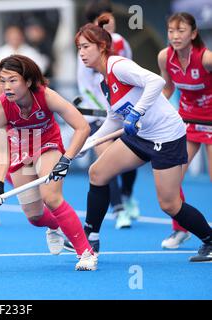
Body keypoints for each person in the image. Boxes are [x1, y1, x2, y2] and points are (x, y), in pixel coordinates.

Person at [77, 15, 212, 262]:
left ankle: (210, 240)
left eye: (86, 47)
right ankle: (91, 238)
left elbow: (156, 81)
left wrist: (137, 112)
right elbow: (114, 118)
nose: (82, 53)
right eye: (79, 49)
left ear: (102, 47)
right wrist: (88, 144)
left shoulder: (118, 65)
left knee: (169, 204)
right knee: (97, 173)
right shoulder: (104, 80)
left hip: (166, 137)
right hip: (142, 136)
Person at [0, 54, 97, 271]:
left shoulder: (47, 96)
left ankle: (86, 253)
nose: (6, 86)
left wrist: (66, 159)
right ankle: (56, 225)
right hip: (20, 150)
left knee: (51, 197)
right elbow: (2, 150)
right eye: (2, 81)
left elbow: (82, 127)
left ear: (27, 81)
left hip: (48, 144)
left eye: (12, 80)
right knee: (35, 217)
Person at [77, 1, 139, 230]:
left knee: (130, 161)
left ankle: (127, 194)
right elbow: (84, 87)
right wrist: (104, 111)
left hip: (124, 111)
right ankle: (119, 209)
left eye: (110, 17)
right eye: (103, 19)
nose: (109, 22)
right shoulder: (86, 49)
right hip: (100, 115)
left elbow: (132, 74)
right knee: (107, 161)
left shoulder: (122, 43)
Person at [158, 12, 212, 249]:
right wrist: (148, 109)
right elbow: (167, 88)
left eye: (181, 31)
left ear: (193, 33)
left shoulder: (207, 58)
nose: (175, 36)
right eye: (171, 31)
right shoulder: (164, 57)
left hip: (211, 123)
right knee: (172, 179)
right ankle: (181, 230)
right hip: (186, 122)